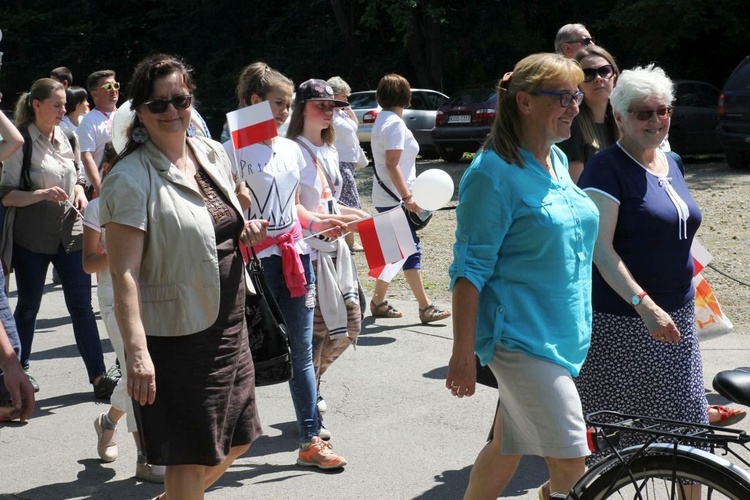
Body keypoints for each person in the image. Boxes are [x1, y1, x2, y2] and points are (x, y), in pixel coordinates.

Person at [99, 53, 264, 498]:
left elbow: (212, 224)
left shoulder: (211, 151)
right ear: (139, 112)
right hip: (178, 335)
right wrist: (137, 354)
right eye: (159, 105)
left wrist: (242, 226)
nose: (173, 111)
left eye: (181, 100)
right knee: (190, 455)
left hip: (230, 323)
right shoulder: (129, 178)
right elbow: (124, 275)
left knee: (243, 436)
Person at [446, 53, 598, 500]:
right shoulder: (491, 173)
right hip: (519, 339)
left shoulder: (553, 157)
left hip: (563, 333)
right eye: (563, 97)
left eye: (576, 96)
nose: (574, 105)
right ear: (525, 103)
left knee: (505, 446)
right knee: (571, 460)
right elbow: (468, 271)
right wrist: (462, 354)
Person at [574, 64, 709, 464]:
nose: (656, 120)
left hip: (678, 315)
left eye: (662, 110)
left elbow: (676, 229)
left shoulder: (674, 162)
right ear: (619, 117)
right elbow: (600, 249)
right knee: (620, 445)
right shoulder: (606, 168)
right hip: (624, 323)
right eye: (643, 112)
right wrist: (644, 305)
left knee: (690, 433)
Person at [224, 63, 348, 470]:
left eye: (289, 104)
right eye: (278, 103)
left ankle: (310, 439)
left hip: (295, 261)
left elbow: (294, 208)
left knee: (302, 352)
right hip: (249, 269)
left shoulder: (291, 149)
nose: (284, 111)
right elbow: (221, 216)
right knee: (240, 355)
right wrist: (242, 217)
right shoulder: (229, 152)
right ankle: (219, 440)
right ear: (255, 102)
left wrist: (320, 222)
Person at [0, 78, 116, 398]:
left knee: (81, 306)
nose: (63, 110)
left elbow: (78, 178)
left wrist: (79, 191)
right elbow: (6, 195)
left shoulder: (68, 135)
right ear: (36, 105)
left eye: (65, 104)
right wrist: (40, 194)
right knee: (28, 307)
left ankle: (99, 377)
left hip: (71, 233)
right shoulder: (21, 142)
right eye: (57, 105)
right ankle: (19, 372)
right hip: (31, 237)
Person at [287, 78, 365, 448]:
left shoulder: (329, 150)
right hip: (307, 252)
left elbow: (331, 202)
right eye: (321, 104)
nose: (328, 111)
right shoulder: (291, 151)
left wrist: (361, 217)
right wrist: (317, 222)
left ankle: (311, 386)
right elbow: (290, 208)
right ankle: (310, 404)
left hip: (335, 251)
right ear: (302, 108)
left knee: (351, 326)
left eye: (333, 105)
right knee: (318, 336)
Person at [83, 141, 164, 483]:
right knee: (134, 368)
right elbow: (89, 264)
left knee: (150, 370)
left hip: (154, 291)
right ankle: (147, 454)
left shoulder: (152, 197)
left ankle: (108, 422)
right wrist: (117, 251)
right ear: (106, 171)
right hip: (113, 294)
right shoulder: (96, 208)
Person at [369, 73, 451, 324]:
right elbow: (392, 165)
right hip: (397, 198)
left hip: (386, 195)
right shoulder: (393, 123)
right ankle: (425, 308)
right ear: (406, 96)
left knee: (394, 253)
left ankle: (378, 301)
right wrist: (407, 196)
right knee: (410, 251)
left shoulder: (382, 119)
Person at [558, 46, 620, 182]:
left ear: (614, 78)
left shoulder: (621, 124)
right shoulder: (572, 127)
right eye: (588, 74)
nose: (598, 78)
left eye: (605, 71)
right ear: (577, 84)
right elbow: (577, 188)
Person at [327, 76, 364, 252]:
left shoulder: (340, 112)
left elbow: (354, 127)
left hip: (348, 162)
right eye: (343, 96)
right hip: (339, 162)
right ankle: (350, 242)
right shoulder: (330, 116)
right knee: (349, 201)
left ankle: (349, 241)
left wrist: (349, 111)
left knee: (348, 200)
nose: (346, 100)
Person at [78, 70, 119, 195]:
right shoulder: (89, 121)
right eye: (107, 86)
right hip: (105, 186)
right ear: (95, 94)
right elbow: (86, 156)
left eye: (115, 85)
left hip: (128, 181)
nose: (113, 90)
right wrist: (99, 188)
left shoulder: (126, 114)